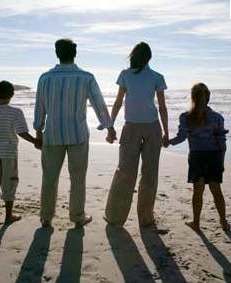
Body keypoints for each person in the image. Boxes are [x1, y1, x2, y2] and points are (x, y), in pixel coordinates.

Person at [34, 38, 115, 228]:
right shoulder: (85, 77)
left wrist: (38, 130)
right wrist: (109, 127)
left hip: (52, 135)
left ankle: (46, 217)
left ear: (57, 53)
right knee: (78, 178)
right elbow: (99, 103)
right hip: (77, 135)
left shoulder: (45, 78)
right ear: (75, 53)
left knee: (49, 177)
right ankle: (77, 217)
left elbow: (40, 106)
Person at [104, 42, 169, 227]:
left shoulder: (125, 75)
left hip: (131, 127)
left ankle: (115, 217)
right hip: (152, 127)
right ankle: (146, 218)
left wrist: (110, 126)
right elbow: (162, 108)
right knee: (150, 174)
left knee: (125, 172)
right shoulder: (157, 76)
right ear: (149, 57)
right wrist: (166, 132)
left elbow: (117, 103)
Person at [167, 83, 229, 231]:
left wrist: (168, 142)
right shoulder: (217, 117)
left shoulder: (186, 117)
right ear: (208, 98)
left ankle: (196, 223)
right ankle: (223, 222)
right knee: (216, 191)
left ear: (192, 97)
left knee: (198, 191)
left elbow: (181, 138)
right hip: (213, 157)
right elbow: (222, 144)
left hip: (197, 157)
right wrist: (222, 161)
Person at [0, 80, 37, 223]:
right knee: (9, 182)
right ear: (12, 95)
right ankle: (8, 216)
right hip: (9, 153)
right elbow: (22, 132)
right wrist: (36, 142)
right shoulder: (16, 112)